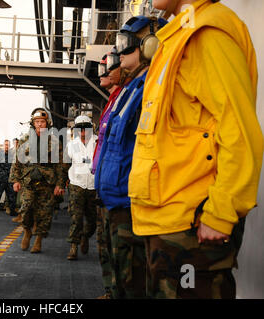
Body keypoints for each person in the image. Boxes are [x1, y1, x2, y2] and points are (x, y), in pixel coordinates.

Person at [129, 0, 263, 299]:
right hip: (171, 220)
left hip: (192, 223)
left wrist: (220, 213)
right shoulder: (179, 35)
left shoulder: (206, 34)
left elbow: (239, 130)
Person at [95, 15, 167, 299]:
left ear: (150, 46)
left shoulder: (150, 88)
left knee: (133, 284)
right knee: (123, 280)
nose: (120, 51)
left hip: (129, 203)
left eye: (127, 45)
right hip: (116, 201)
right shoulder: (130, 91)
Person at [91, 47, 127, 299]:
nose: (102, 72)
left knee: (119, 249)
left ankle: (116, 291)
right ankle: (110, 289)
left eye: (109, 65)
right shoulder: (113, 101)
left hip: (117, 190)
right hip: (104, 187)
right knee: (105, 245)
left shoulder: (125, 98)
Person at [9, 108, 68, 253]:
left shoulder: (54, 142)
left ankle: (39, 239)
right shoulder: (25, 139)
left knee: (45, 213)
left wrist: (60, 184)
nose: (40, 124)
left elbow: (61, 165)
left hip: (47, 182)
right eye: (37, 122)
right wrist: (15, 180)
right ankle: (27, 231)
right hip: (28, 180)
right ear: (33, 123)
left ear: (47, 124)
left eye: (42, 122)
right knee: (26, 209)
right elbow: (17, 161)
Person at [65, 115, 97, 261]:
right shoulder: (72, 145)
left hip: (93, 186)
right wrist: (61, 183)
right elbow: (65, 164)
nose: (83, 132)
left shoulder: (98, 142)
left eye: (86, 128)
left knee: (92, 220)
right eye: (80, 129)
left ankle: (85, 235)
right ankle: (73, 247)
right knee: (76, 218)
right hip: (76, 185)